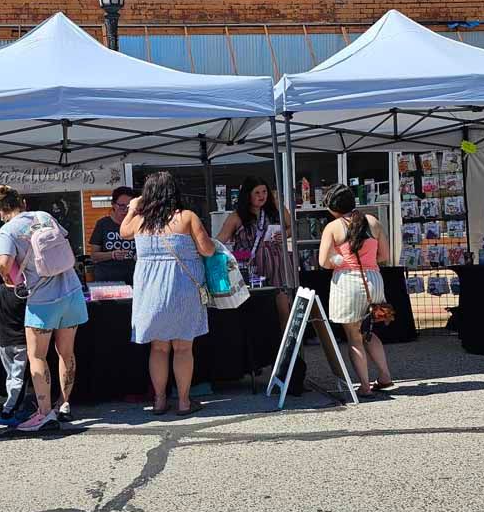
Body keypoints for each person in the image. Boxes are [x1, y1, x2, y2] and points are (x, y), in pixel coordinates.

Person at [120, 171, 216, 417]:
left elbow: (123, 232)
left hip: (151, 293)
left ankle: (159, 401)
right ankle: (184, 402)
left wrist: (133, 208)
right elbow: (207, 250)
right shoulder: (187, 217)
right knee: (183, 348)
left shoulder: (140, 222)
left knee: (159, 349)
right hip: (183, 289)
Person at [0, 184, 87, 432]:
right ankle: (64, 404)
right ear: (22, 202)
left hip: (43, 300)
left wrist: (8, 278)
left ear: (0, 210)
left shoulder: (7, 231)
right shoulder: (44, 216)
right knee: (66, 353)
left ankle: (44, 413)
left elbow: (4, 263)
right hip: (72, 291)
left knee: (37, 356)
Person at [216, 174, 304, 392]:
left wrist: (284, 233)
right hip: (251, 270)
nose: (262, 196)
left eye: (264, 192)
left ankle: (288, 365)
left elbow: (292, 225)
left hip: (278, 266)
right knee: (259, 318)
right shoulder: (237, 216)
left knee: (284, 312)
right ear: (248, 195)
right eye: (257, 193)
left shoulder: (275, 208)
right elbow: (220, 241)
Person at [318, 183, 394, 398]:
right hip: (374, 281)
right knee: (370, 332)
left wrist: (340, 260)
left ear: (332, 207)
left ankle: (365, 386)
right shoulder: (374, 222)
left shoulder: (333, 227)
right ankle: (385, 375)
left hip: (348, 283)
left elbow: (324, 261)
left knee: (354, 336)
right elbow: (384, 256)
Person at [0, 277, 34, 426]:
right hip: (22, 341)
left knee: (11, 376)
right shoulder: (23, 292)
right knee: (19, 377)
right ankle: (10, 410)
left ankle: (13, 405)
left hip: (4, 341)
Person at [88, 186, 137, 284]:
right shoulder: (103, 224)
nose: (125, 210)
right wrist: (112, 255)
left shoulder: (137, 224)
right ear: (113, 205)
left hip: (133, 279)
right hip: (107, 280)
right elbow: (94, 256)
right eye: (121, 205)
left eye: (128, 207)